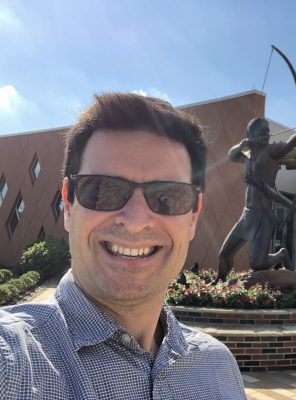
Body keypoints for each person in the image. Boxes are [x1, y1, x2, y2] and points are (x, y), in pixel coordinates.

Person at [0, 93, 246, 399]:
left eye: (168, 195)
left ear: (194, 215)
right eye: (103, 189)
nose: (135, 220)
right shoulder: (11, 362)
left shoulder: (218, 368)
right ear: (68, 203)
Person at [216, 117, 296, 282]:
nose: (267, 135)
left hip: (264, 216)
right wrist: (242, 144)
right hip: (247, 216)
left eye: (268, 132)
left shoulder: (270, 151)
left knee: (258, 264)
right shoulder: (247, 155)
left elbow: (287, 146)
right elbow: (231, 155)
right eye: (262, 132)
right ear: (251, 135)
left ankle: (281, 254)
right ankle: (220, 281)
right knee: (224, 253)